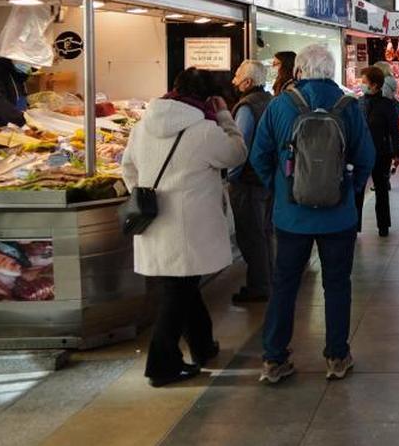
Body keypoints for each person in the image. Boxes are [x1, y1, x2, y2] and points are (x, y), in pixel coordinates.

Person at [250, 45, 375, 384]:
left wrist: (281, 189)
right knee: (337, 285)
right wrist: (350, 189)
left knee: (284, 285)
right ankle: (336, 356)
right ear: (331, 71)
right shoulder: (348, 106)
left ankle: (274, 360)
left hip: (291, 217)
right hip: (339, 217)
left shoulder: (279, 105)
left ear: (299, 71)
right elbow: (366, 156)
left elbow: (259, 155)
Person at [121, 68, 248, 387]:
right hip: (190, 226)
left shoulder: (142, 126)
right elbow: (236, 154)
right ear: (206, 98)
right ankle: (161, 364)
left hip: (155, 222)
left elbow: (128, 168)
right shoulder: (204, 130)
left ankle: (203, 346)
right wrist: (225, 118)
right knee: (177, 293)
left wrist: (145, 194)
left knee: (182, 286)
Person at [227, 60, 273, 304]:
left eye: (237, 76)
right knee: (265, 233)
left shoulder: (246, 107)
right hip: (266, 178)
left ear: (247, 82)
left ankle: (259, 286)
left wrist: (230, 177)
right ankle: (269, 279)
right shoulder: (270, 101)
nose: (234, 81)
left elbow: (239, 148)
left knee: (251, 235)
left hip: (248, 181)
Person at [358, 66, 399, 237]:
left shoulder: (387, 105)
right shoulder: (358, 103)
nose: (362, 85)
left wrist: (397, 153)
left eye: (364, 82)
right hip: (360, 153)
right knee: (358, 191)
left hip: (381, 153)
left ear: (375, 85)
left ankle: (383, 225)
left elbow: (394, 130)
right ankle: (355, 227)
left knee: (381, 189)